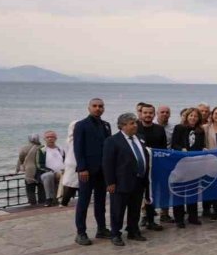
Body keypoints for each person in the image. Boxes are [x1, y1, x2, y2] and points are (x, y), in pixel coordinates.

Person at [102, 112, 150, 246]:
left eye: (135, 123)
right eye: (132, 123)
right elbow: (107, 163)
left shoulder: (140, 138)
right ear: (122, 126)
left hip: (139, 180)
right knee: (118, 209)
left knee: (135, 209)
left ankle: (133, 231)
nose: (135, 125)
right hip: (121, 182)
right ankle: (115, 234)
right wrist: (110, 182)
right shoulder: (112, 141)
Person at [73, 99, 112, 246]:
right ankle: (81, 232)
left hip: (102, 171)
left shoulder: (106, 125)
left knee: (101, 202)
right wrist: (82, 168)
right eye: (95, 106)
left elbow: (108, 148)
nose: (98, 109)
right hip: (87, 171)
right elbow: (78, 148)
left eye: (100, 106)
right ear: (89, 108)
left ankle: (101, 229)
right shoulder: (81, 125)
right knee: (83, 202)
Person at [170, 108, 206, 228]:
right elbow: (174, 144)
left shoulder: (200, 131)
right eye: (191, 115)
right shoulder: (179, 128)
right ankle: (179, 218)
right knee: (179, 191)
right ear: (186, 116)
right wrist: (181, 149)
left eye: (196, 116)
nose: (193, 118)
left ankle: (193, 217)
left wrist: (203, 150)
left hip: (194, 165)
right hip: (180, 164)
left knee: (193, 191)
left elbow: (201, 146)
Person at [136, 103, 167, 230]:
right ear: (141, 113)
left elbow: (164, 148)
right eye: (145, 113)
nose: (148, 115)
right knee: (137, 195)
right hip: (138, 167)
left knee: (151, 194)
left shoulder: (159, 129)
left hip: (155, 167)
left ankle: (150, 220)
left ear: (154, 114)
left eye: (150, 113)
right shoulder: (135, 127)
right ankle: (136, 221)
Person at [35, 131, 65, 206]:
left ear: (56, 138)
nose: (50, 139)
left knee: (66, 174)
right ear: (44, 139)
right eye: (48, 137)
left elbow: (65, 160)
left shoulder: (60, 149)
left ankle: (62, 197)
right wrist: (51, 171)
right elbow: (39, 165)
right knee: (49, 175)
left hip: (60, 172)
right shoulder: (42, 150)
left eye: (52, 137)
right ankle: (49, 198)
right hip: (46, 173)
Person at [17, 134, 43, 206]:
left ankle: (33, 204)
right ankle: (42, 203)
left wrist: (17, 170)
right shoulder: (42, 147)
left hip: (29, 171)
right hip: (40, 170)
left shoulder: (24, 148)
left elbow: (20, 159)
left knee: (30, 188)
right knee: (41, 188)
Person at [60, 121, 79, 207]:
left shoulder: (69, 139)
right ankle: (64, 202)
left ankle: (64, 202)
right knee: (72, 184)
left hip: (69, 163)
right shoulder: (76, 139)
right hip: (75, 163)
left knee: (69, 183)